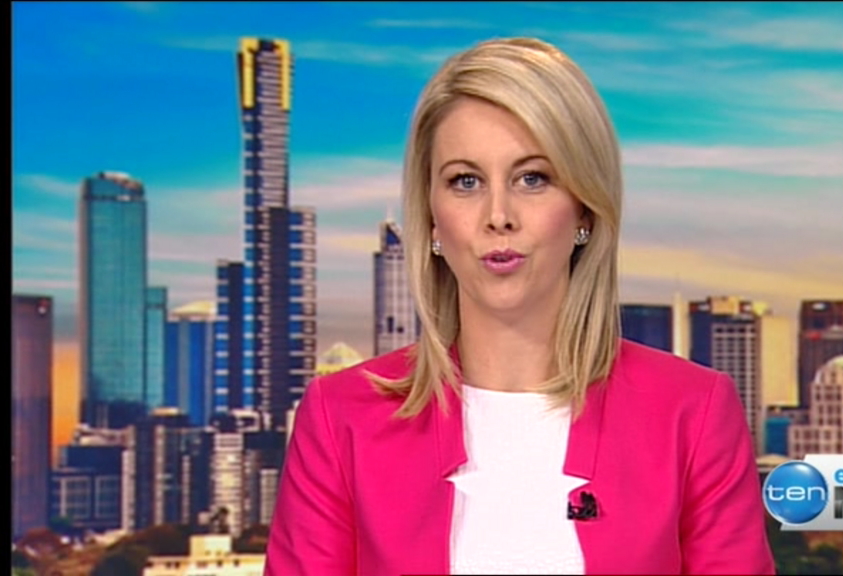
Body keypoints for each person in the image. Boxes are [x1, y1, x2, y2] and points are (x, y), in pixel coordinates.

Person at [265, 37, 775, 576]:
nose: (498, 215)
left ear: (584, 208)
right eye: (466, 182)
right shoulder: (341, 418)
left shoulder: (691, 414)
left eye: (532, 178)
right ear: (432, 217)